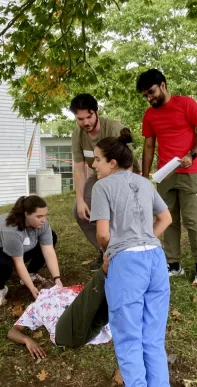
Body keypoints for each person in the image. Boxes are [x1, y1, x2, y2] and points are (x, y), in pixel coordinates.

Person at [90, 128, 174, 387]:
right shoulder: (145, 182)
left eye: (97, 159)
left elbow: (103, 234)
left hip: (127, 265)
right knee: (153, 336)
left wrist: (109, 253)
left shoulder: (102, 187)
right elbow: (166, 218)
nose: (94, 165)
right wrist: (145, 239)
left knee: (128, 338)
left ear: (112, 162)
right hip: (155, 260)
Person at [137, 69, 197, 287]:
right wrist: (144, 177)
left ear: (163, 85)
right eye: (145, 96)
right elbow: (149, 146)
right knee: (167, 219)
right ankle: (174, 264)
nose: (149, 98)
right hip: (165, 175)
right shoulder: (150, 115)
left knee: (190, 219)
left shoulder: (186, 104)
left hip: (189, 172)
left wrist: (192, 155)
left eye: (151, 92)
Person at [69, 94, 141, 272]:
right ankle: (106, 251)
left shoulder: (114, 128)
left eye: (89, 116)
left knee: (117, 212)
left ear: (97, 112)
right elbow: (79, 169)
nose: (86, 122)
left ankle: (127, 251)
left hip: (124, 174)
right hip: (99, 175)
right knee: (79, 211)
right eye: (80, 119)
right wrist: (80, 200)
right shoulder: (77, 135)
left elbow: (128, 163)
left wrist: (122, 194)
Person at [0, 196, 63, 307]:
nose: (43, 220)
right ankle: (0, 288)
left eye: (45, 215)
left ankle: (31, 273)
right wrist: (32, 288)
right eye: (39, 216)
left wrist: (57, 278)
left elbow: (48, 251)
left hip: (16, 247)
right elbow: (19, 262)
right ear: (26, 214)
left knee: (52, 236)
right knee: (2, 263)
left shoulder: (43, 225)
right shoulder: (12, 229)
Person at [7, 269, 111, 357]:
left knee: (108, 295)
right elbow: (12, 332)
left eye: (42, 279)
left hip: (92, 325)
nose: (42, 281)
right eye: (37, 283)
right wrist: (26, 340)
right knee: (99, 285)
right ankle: (107, 268)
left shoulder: (69, 289)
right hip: (67, 331)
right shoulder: (35, 307)